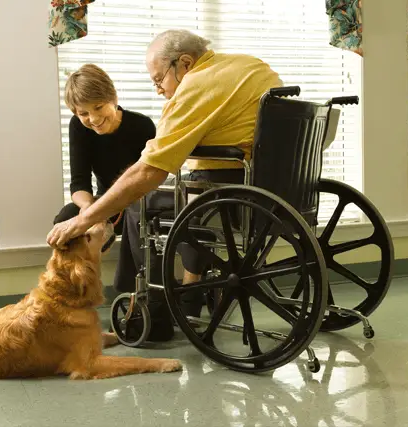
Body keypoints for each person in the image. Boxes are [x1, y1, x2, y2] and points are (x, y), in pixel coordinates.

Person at [48, 29, 282, 341]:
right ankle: (176, 298)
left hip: (226, 193)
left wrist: (86, 219)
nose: (159, 90)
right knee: (159, 200)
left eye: (159, 79)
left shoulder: (196, 87)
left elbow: (147, 174)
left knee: (138, 205)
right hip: (271, 192)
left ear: (184, 64)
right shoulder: (252, 66)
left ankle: (152, 310)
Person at [53, 64, 156, 235]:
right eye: (83, 113)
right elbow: (79, 182)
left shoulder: (142, 125)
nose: (93, 119)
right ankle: (77, 264)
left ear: (113, 99)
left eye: (98, 107)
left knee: (137, 217)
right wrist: (88, 210)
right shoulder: (78, 126)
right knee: (66, 217)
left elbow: (148, 179)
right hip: (102, 204)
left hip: (138, 204)